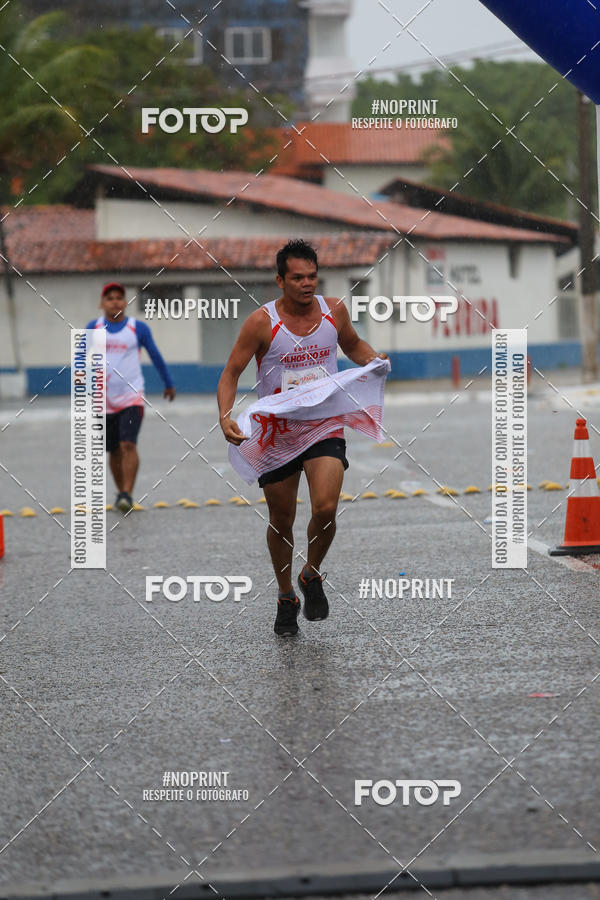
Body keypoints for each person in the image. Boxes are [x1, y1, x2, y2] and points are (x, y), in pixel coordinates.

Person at [217, 239, 388, 636]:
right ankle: (285, 595)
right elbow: (231, 372)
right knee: (281, 519)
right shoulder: (262, 322)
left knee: (326, 507)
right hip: (277, 432)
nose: (307, 284)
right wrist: (225, 416)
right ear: (280, 280)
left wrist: (371, 359)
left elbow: (353, 344)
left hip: (323, 423)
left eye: (312, 276)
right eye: (297, 278)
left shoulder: (334, 311)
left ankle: (311, 574)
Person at [87, 282, 175, 512]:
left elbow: (155, 355)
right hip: (102, 401)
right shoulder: (93, 328)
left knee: (128, 444)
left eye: (119, 297)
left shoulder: (138, 328)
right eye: (109, 298)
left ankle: (127, 492)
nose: (114, 301)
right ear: (101, 303)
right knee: (114, 449)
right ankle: (121, 493)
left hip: (131, 397)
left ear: (125, 303)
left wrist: (168, 383)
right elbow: (80, 361)